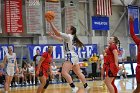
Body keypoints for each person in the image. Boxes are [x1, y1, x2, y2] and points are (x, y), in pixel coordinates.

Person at [46, 19, 90, 92]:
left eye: (68, 28)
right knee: (78, 73)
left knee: (64, 73)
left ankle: (73, 87)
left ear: (71, 30)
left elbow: (57, 32)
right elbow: (61, 40)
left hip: (70, 55)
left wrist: (51, 23)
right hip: (74, 56)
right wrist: (53, 36)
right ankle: (86, 86)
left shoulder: (68, 36)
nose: (66, 28)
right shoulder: (71, 37)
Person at [129, 17, 140, 93]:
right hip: (139, 68)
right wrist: (131, 23)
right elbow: (132, 34)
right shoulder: (138, 42)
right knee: (138, 89)